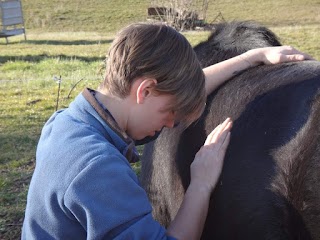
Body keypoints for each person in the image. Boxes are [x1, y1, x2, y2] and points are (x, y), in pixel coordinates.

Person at [22, 23, 312, 240]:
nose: (173, 123)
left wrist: (251, 58)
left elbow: (172, 93)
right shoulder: (96, 169)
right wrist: (200, 184)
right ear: (145, 90)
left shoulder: (66, 122)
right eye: (170, 111)